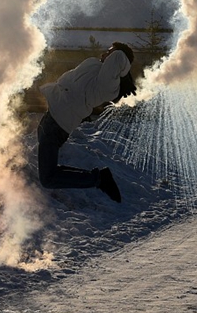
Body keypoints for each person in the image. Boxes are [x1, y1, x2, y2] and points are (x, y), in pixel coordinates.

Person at [37, 42, 136, 202]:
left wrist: (121, 61)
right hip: (52, 117)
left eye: (109, 52)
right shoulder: (95, 66)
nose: (105, 54)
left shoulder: (109, 85)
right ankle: (95, 178)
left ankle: (98, 179)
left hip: (58, 123)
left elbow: (118, 57)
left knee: (47, 179)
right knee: (49, 171)